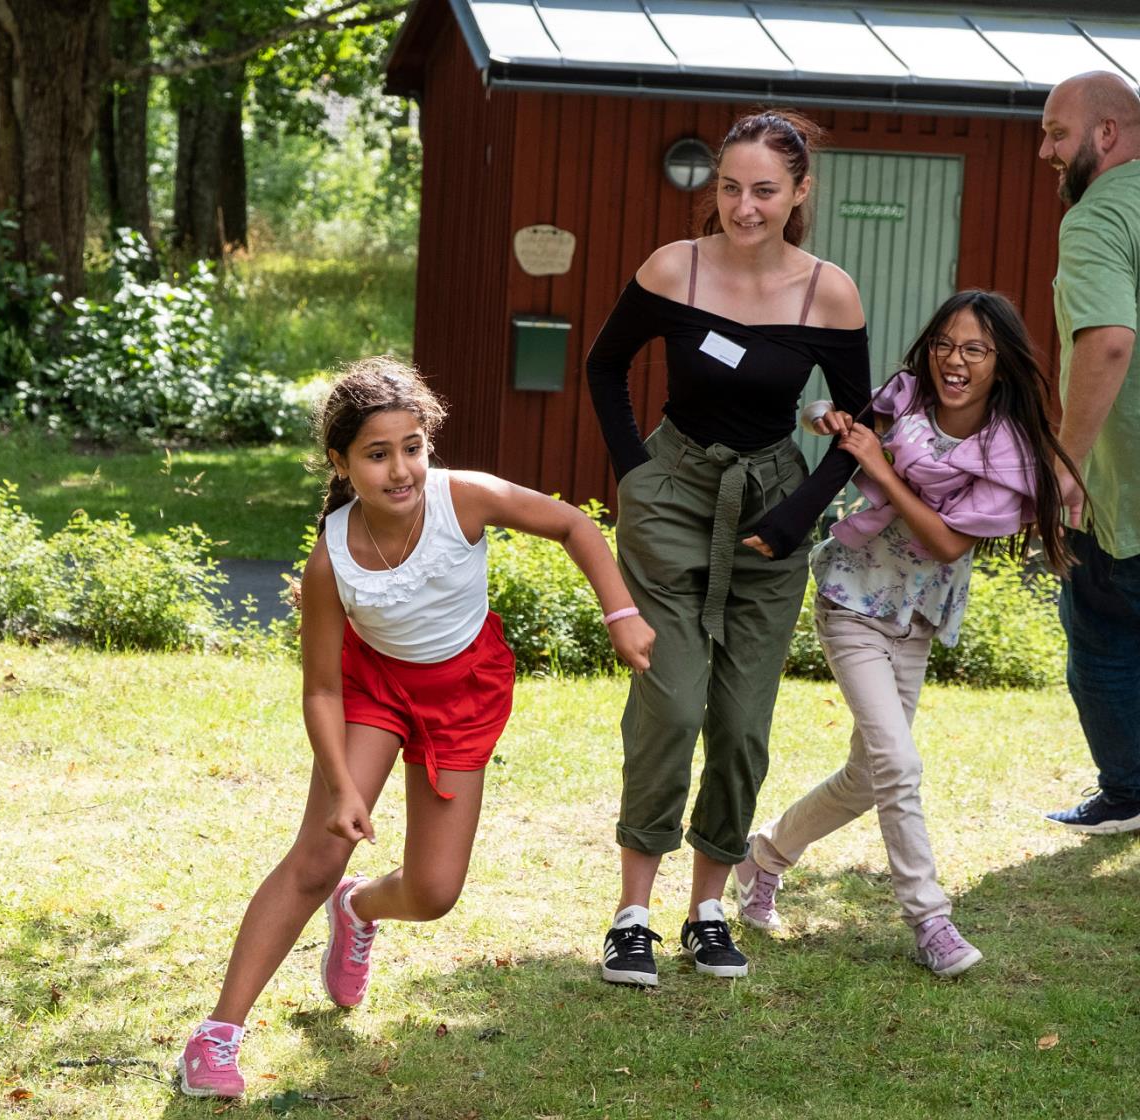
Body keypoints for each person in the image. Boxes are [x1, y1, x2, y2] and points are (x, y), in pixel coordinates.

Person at [177, 359, 655, 1098]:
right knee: (317, 857)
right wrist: (341, 787)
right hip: (372, 688)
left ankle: (360, 909)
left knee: (434, 892)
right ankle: (216, 1036)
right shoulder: (330, 559)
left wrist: (621, 615)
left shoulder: (463, 499)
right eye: (376, 454)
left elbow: (569, 524)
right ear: (341, 463)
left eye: (412, 446)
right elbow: (322, 688)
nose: (400, 469)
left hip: (463, 691)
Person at [583, 109, 871, 986]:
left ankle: (707, 909)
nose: (745, 207)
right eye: (732, 187)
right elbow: (604, 367)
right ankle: (632, 914)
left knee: (742, 724)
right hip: (673, 495)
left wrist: (800, 515)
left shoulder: (830, 290)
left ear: (800, 194)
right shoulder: (677, 266)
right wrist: (639, 477)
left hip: (771, 508)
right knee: (670, 708)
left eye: (766, 191)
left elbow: (862, 425)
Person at [734, 291, 1079, 976]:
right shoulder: (905, 396)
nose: (954, 360)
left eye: (974, 349)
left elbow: (948, 543)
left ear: (1000, 365)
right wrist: (825, 416)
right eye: (945, 344)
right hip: (851, 598)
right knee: (899, 764)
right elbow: (824, 417)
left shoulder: (1005, 452)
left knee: (870, 775)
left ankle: (762, 856)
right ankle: (929, 919)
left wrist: (883, 466)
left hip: (915, 617)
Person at [1037, 71, 1140, 834]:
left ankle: (1130, 793)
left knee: (1100, 628)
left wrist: (1067, 467)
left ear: (1106, 135)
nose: (1045, 148)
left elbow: (1106, 341)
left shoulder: (1099, 217)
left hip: (1125, 491)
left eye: (1056, 132)